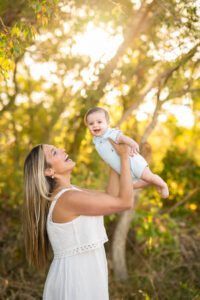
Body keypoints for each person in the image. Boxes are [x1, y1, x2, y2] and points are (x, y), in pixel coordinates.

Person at [23, 141, 134, 300]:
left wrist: (113, 157)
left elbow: (111, 195)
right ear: (49, 171)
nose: (62, 149)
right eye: (54, 152)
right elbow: (125, 202)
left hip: (86, 274)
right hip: (76, 280)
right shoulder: (68, 198)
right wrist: (123, 157)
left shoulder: (71, 192)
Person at [84, 106, 169, 198]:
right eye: (91, 123)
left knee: (148, 176)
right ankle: (154, 182)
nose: (95, 125)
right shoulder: (96, 140)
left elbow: (122, 138)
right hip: (123, 168)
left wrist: (133, 143)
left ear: (107, 123)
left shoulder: (110, 133)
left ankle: (163, 185)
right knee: (131, 186)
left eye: (99, 122)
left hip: (132, 161)